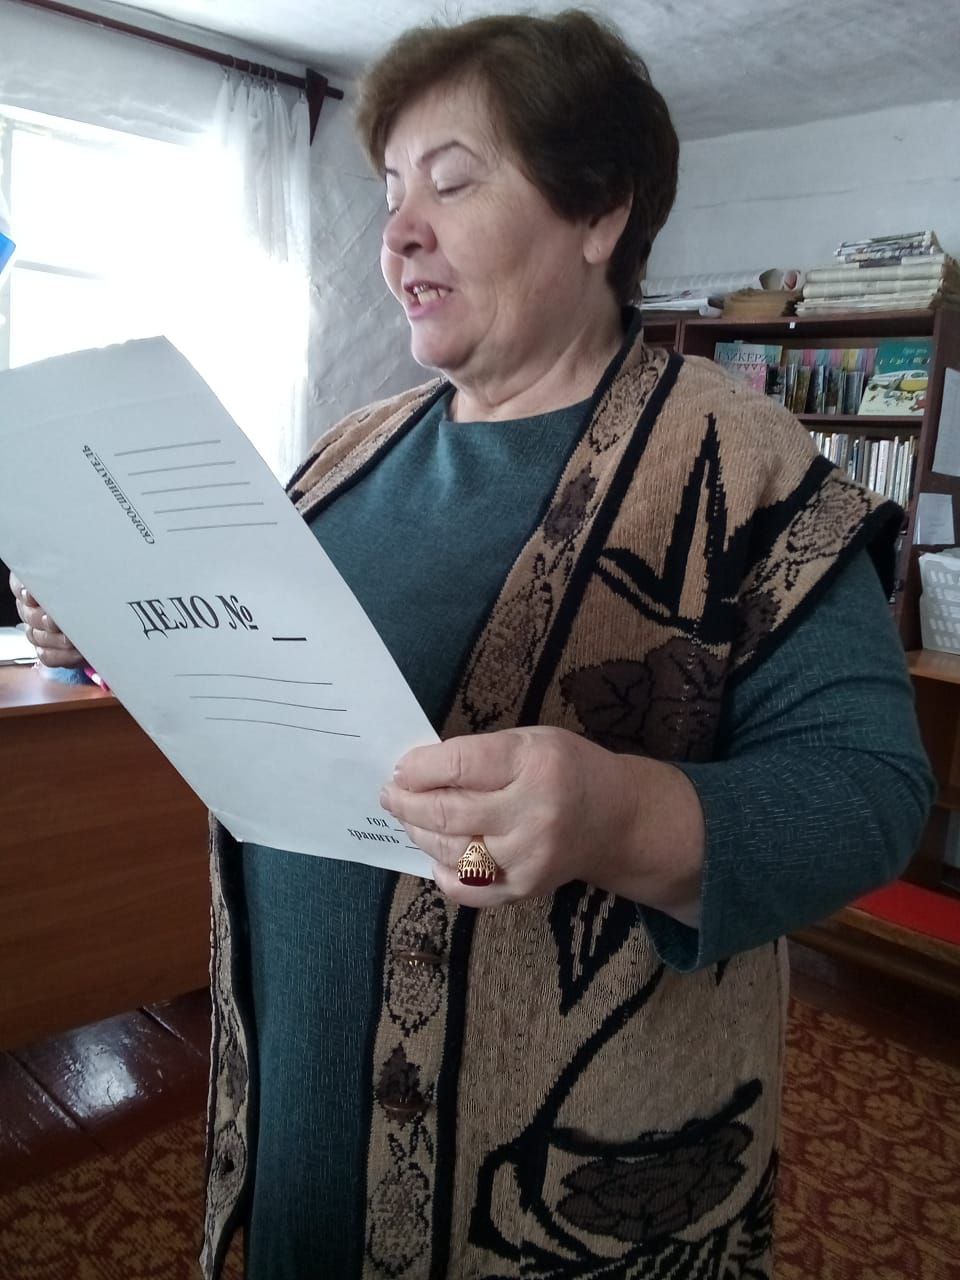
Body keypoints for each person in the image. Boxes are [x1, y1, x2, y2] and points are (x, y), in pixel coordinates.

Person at [11, 11, 934, 1279]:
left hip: (562, 1174)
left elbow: (870, 792)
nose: (397, 231)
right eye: (389, 191)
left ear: (598, 210)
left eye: (451, 182)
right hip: (302, 1100)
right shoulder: (350, 451)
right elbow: (255, 660)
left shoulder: (746, 462)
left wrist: (619, 814)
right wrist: (104, 610)